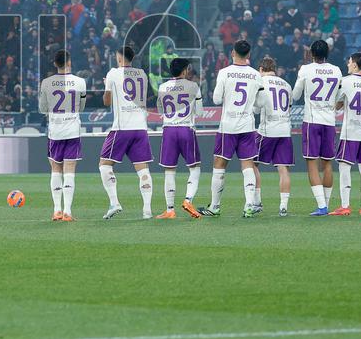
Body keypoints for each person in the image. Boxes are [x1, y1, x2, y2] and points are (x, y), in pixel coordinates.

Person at [198, 40, 263, 218]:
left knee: (219, 164)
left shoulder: (224, 72)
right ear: (249, 55)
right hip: (247, 126)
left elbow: (217, 99)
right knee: (248, 164)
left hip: (228, 126)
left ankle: (215, 207)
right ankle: (249, 204)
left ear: (232, 53)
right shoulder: (256, 75)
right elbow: (260, 103)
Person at [99, 46, 154, 220]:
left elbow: (107, 102)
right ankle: (147, 210)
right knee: (142, 169)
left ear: (120, 57)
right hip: (140, 127)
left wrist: (107, 87)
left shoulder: (113, 73)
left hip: (122, 128)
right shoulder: (142, 74)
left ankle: (114, 202)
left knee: (104, 165)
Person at [292, 40, 342, 216]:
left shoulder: (306, 70)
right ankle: (325, 204)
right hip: (329, 121)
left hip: (312, 121)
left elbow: (295, 95)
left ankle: (322, 206)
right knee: (327, 163)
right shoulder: (336, 70)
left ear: (311, 53)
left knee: (312, 163)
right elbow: (339, 97)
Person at [38, 49, 87, 222]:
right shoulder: (80, 82)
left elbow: (42, 108)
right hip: (72, 131)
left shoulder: (46, 83)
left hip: (55, 132)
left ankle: (56, 210)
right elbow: (81, 107)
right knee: (70, 172)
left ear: (54, 64)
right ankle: (67, 212)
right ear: (69, 62)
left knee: (55, 171)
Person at [154, 58, 203, 219]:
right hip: (186, 130)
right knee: (195, 168)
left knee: (169, 171)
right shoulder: (194, 86)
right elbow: (200, 113)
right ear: (184, 71)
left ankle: (169, 210)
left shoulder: (162, 87)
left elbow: (160, 111)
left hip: (168, 130)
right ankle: (188, 200)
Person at [331, 53, 361, 216]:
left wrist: (341, 103)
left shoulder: (345, 81)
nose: (347, 63)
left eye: (349, 61)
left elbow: (336, 105)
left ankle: (345, 205)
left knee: (344, 167)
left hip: (350, 132)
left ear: (355, 65)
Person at [255, 57, 293, 217]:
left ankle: (256, 202)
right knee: (283, 169)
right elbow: (289, 107)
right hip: (285, 130)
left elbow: (256, 109)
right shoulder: (286, 84)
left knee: (251, 164)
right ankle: (283, 207)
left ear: (261, 69)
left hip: (267, 130)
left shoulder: (261, 83)